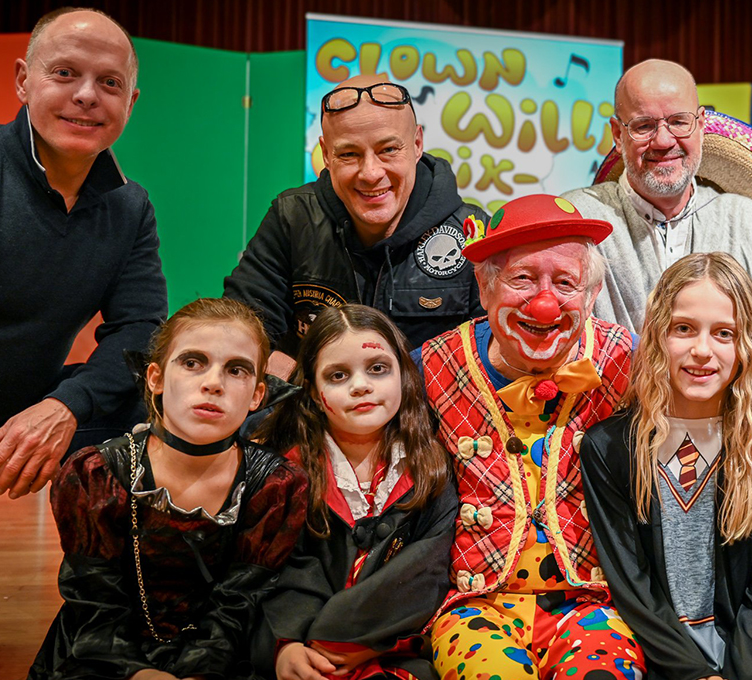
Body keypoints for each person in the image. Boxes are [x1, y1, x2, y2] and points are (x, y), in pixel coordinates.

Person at [419, 194, 752, 680]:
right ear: (484, 285)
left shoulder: (623, 361)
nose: (544, 301)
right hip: (477, 602)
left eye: (565, 282)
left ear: (591, 294)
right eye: (522, 278)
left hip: (590, 606)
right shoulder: (430, 368)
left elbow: (722, 397)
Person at [0, 8, 168, 677]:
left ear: (130, 102)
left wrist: (67, 406)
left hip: (28, 414)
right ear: (24, 81)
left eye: (109, 82)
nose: (87, 95)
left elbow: (140, 331)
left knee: (177, 412)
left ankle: (136, 633)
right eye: (65, 73)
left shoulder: (129, 207)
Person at [29, 298, 309, 680]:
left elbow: (241, 601)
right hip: (105, 654)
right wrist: (140, 673)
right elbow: (96, 603)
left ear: (257, 395)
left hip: (224, 656)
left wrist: (197, 671)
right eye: (192, 362)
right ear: (155, 378)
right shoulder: (96, 475)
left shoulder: (276, 486)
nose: (213, 383)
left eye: (237, 370)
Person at [580, 252, 752, 680]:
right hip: (657, 655)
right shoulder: (610, 447)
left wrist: (737, 672)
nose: (702, 350)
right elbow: (632, 585)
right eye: (683, 328)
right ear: (657, 334)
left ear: (747, 345)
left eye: (724, 333)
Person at [561, 59, 752, 384]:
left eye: (678, 122)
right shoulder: (580, 219)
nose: (664, 140)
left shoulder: (749, 223)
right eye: (643, 125)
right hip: (609, 425)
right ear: (617, 133)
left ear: (700, 124)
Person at [224, 74, 487, 377]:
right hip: (309, 417)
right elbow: (238, 332)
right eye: (349, 154)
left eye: (388, 150)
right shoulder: (292, 218)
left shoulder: (473, 232)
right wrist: (304, 384)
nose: (371, 173)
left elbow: (494, 359)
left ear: (417, 144)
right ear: (325, 154)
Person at [251, 304, 457, 680]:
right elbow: (281, 572)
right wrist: (287, 645)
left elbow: (425, 575)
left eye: (377, 368)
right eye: (338, 375)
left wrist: (366, 642)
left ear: (403, 375)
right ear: (313, 393)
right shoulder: (287, 475)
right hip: (303, 651)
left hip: (393, 649)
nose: (360, 385)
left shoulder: (433, 470)